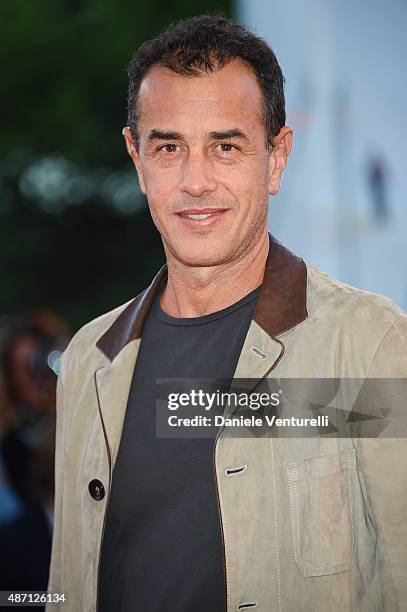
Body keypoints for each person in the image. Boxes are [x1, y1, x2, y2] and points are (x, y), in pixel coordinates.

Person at [47, 15, 407, 612]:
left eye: (226, 145)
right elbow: (64, 582)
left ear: (276, 157)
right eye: (168, 147)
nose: (195, 181)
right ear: (137, 159)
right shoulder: (89, 356)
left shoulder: (370, 345)